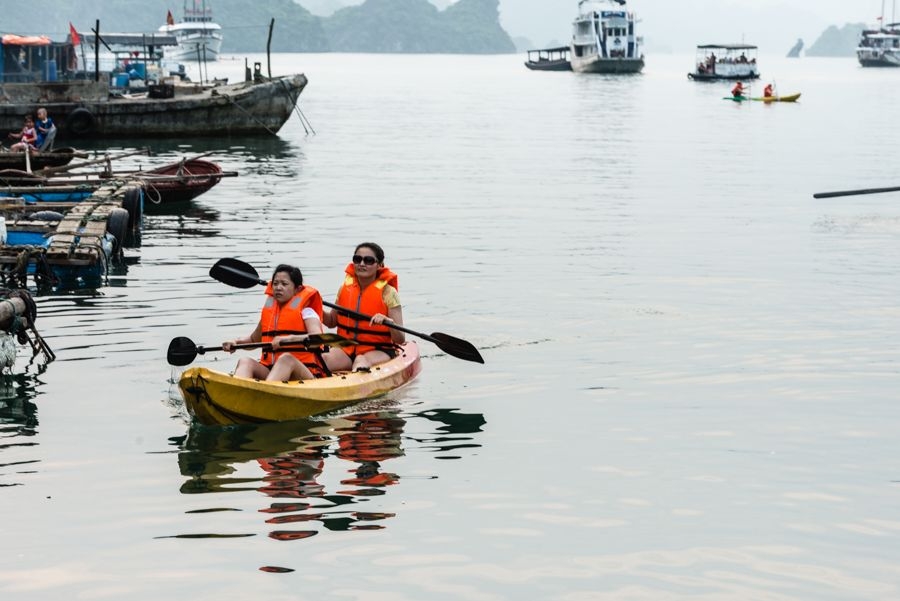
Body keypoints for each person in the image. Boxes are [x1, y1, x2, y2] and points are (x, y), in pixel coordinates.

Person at [222, 264, 327, 381]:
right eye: (275, 283)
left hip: (303, 373)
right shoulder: (270, 314)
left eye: (284, 284)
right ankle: (239, 390)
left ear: (297, 289)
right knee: (245, 361)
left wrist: (287, 339)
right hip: (271, 371)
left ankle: (266, 392)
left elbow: (319, 339)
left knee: (286, 359)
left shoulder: (307, 312)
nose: (278, 287)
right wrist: (235, 342)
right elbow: (253, 340)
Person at [322, 242, 405, 372]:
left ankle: (357, 383)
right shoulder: (345, 288)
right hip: (346, 348)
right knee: (323, 359)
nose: (361, 264)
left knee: (361, 360)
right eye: (357, 259)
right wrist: (315, 308)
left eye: (368, 260)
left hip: (378, 350)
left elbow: (400, 339)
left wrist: (388, 322)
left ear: (379, 265)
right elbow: (332, 321)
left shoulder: (388, 293)